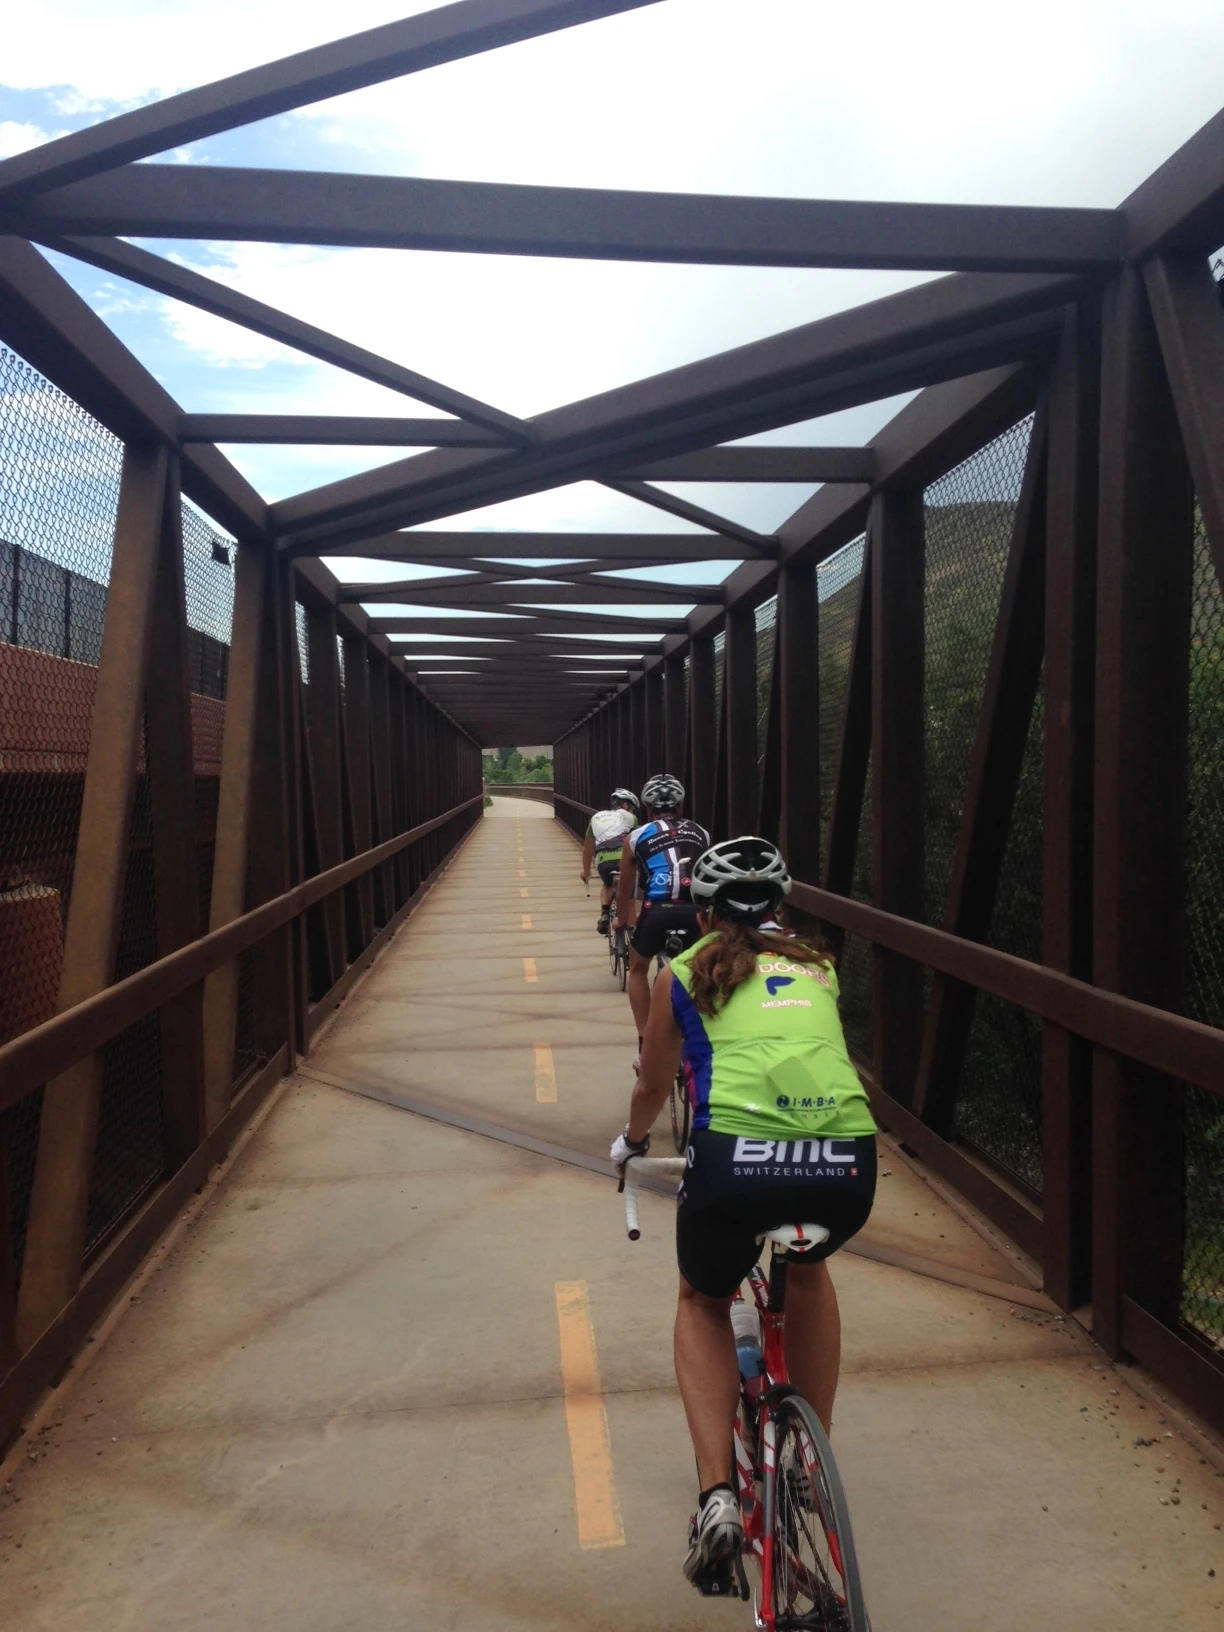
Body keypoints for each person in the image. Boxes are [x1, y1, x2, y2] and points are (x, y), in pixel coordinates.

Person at [609, 836, 877, 1587]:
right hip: (848, 1162)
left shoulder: (684, 974)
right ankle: (809, 1461)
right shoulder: (820, 967)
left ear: (701, 913)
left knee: (702, 1301)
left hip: (736, 1164)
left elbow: (653, 1086)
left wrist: (633, 1143)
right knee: (810, 1271)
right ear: (782, 906)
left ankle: (717, 1497)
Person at [615, 773, 709, 1048]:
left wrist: (622, 920)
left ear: (647, 808)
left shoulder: (636, 837)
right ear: (680, 806)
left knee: (637, 969)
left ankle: (644, 1042)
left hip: (657, 911)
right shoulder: (701, 832)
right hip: (695, 911)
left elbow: (625, 889)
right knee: (707, 966)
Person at [581, 789, 639, 936]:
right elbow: (639, 842)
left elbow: (587, 850)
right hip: (623, 857)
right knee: (630, 899)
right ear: (626, 805)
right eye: (632, 808)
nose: (632, 811)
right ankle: (633, 937)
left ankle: (605, 913)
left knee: (607, 885)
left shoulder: (596, 817)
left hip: (603, 860)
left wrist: (586, 872)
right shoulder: (631, 817)